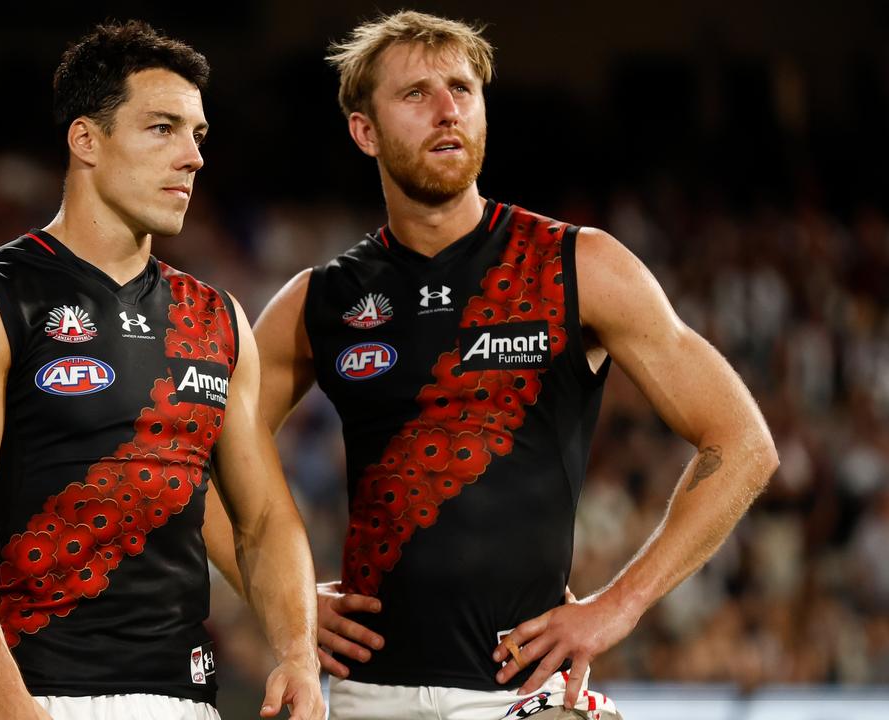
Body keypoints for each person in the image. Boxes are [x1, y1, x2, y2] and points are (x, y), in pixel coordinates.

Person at [202, 10, 778, 720]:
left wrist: (617, 607)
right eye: (416, 94)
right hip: (364, 698)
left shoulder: (579, 265)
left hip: (523, 698)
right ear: (364, 130)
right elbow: (202, 455)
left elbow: (743, 442)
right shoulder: (319, 299)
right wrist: (284, 605)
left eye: (463, 89)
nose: (447, 110)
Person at [0, 21, 323, 720]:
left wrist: (298, 652)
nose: (191, 156)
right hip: (39, 696)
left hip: (187, 698)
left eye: (198, 135)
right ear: (86, 141)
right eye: (162, 128)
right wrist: (7, 703)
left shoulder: (217, 317)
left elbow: (264, 518)